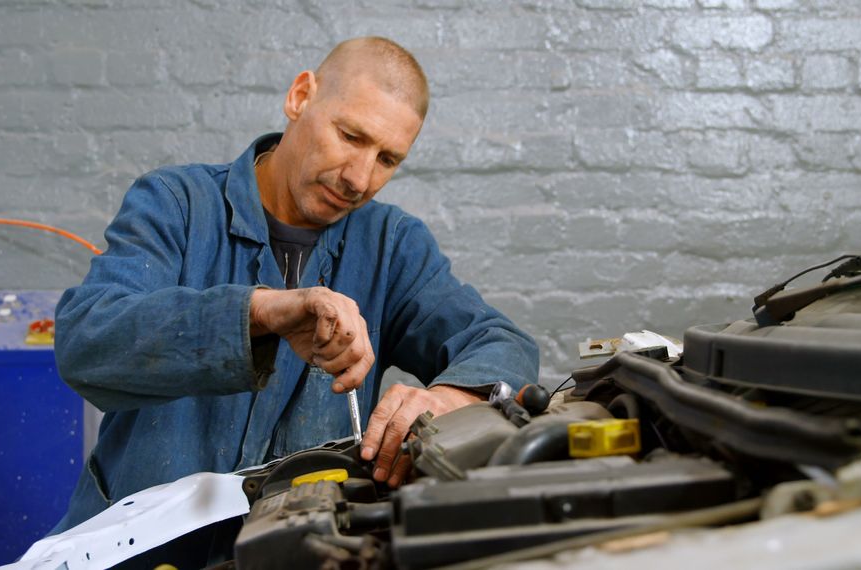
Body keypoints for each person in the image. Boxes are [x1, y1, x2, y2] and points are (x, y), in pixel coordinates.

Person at [51, 36, 539, 532]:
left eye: (387, 159)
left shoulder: (393, 246)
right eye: (350, 136)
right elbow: (85, 343)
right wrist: (259, 312)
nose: (359, 178)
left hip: (294, 550)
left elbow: (501, 343)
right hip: (134, 551)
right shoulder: (176, 205)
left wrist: (452, 398)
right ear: (300, 97)